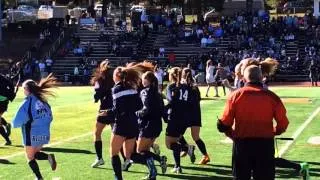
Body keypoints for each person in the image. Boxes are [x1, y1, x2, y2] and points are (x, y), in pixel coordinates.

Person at [217, 65, 289, 180]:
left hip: (242, 144)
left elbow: (224, 124)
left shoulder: (235, 96)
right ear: (261, 79)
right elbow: (283, 124)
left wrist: (232, 135)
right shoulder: (272, 97)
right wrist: (273, 132)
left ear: (244, 79)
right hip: (265, 145)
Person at [100, 66, 143, 180]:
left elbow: (117, 110)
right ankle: (149, 161)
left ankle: (118, 178)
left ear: (117, 76)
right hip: (133, 123)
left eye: (114, 74)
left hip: (121, 124)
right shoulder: (132, 87)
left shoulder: (116, 89)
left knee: (114, 153)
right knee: (130, 155)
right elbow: (140, 105)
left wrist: (107, 112)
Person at [12, 74, 58, 180]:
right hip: (45, 132)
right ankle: (48, 157)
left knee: (29, 157)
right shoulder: (43, 101)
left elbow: (16, 122)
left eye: (23, 89)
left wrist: (15, 124)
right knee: (35, 153)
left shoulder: (27, 102)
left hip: (31, 133)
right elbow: (50, 116)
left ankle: (39, 177)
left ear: (27, 89)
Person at [129, 71, 168, 179]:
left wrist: (136, 114)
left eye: (143, 79)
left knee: (140, 151)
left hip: (147, 125)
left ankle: (157, 164)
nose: (141, 81)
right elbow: (163, 110)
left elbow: (146, 109)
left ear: (147, 80)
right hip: (157, 125)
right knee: (145, 150)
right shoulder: (158, 93)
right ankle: (154, 169)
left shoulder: (144, 92)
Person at [165, 67, 196, 174]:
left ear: (172, 75)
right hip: (185, 119)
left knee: (170, 144)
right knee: (178, 137)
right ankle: (188, 149)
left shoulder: (171, 86)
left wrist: (163, 110)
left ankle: (178, 165)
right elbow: (191, 102)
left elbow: (171, 101)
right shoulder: (186, 87)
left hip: (174, 117)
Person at [179, 68, 210, 165]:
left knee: (177, 135)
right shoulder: (195, 86)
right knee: (196, 137)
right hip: (196, 114)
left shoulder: (183, 86)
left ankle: (186, 148)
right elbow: (199, 99)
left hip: (185, 114)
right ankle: (205, 156)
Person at [90, 60, 115, 168]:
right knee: (118, 135)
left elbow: (97, 95)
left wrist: (96, 98)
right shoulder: (116, 78)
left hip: (104, 110)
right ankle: (127, 159)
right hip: (116, 109)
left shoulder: (99, 80)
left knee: (97, 133)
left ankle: (99, 158)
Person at [0, 74, 17, 145]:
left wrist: (9, 95)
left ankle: (8, 140)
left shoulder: (1, 78)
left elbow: (11, 85)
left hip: (2, 102)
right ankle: (6, 125)